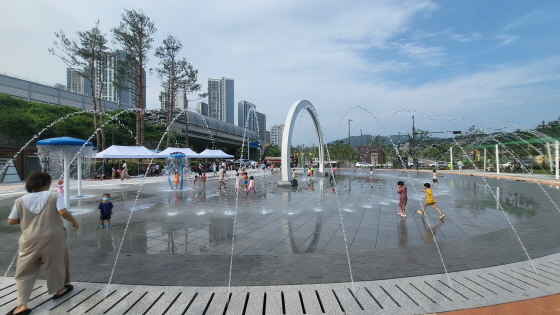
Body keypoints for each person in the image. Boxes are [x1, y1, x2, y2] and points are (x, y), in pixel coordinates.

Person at [7, 171, 79, 315]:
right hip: (53, 237)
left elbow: (11, 221)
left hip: (28, 239)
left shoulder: (20, 200)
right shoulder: (54, 195)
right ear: (46, 183)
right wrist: (74, 221)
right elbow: (63, 212)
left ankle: (22, 305)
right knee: (55, 264)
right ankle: (59, 290)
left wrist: (30, 220)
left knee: (24, 270)